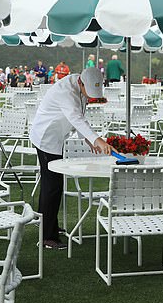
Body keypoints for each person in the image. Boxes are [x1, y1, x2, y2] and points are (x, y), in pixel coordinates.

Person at [30, 68, 113, 249]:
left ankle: (47, 223)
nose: (89, 97)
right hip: (46, 138)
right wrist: (97, 139)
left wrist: (88, 139)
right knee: (52, 186)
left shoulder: (79, 85)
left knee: (51, 185)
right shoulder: (65, 91)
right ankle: (47, 237)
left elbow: (80, 115)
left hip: (56, 136)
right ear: (81, 83)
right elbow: (75, 117)